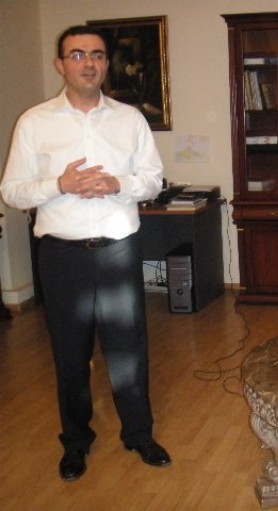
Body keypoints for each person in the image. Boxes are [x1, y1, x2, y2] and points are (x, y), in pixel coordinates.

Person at [0, 25, 171, 480]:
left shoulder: (130, 119)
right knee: (70, 356)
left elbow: (153, 180)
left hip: (118, 250)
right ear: (61, 65)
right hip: (62, 256)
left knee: (128, 350)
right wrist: (60, 184)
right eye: (77, 54)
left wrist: (117, 183)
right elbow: (12, 191)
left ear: (106, 63)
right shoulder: (34, 122)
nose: (88, 63)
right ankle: (76, 443)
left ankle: (139, 434)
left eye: (96, 54)